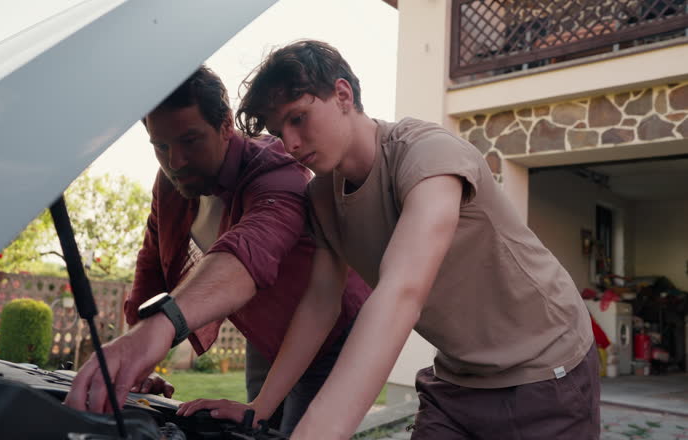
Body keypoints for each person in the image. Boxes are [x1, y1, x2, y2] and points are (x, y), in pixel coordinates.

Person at [228, 40, 600, 440]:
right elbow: (320, 305)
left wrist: (316, 432)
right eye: (278, 131)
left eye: (298, 118)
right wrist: (258, 409)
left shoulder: (427, 154)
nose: (291, 144)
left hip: (546, 369)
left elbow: (402, 291)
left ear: (342, 95)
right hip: (458, 380)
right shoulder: (322, 198)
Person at [64, 66, 370, 434]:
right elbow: (152, 266)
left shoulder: (277, 171)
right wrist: (138, 355)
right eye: (161, 146)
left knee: (300, 431)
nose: (175, 161)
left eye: (190, 140)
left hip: (335, 334)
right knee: (251, 429)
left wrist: (163, 327)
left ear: (226, 125)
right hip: (264, 335)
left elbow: (250, 251)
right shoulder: (171, 184)